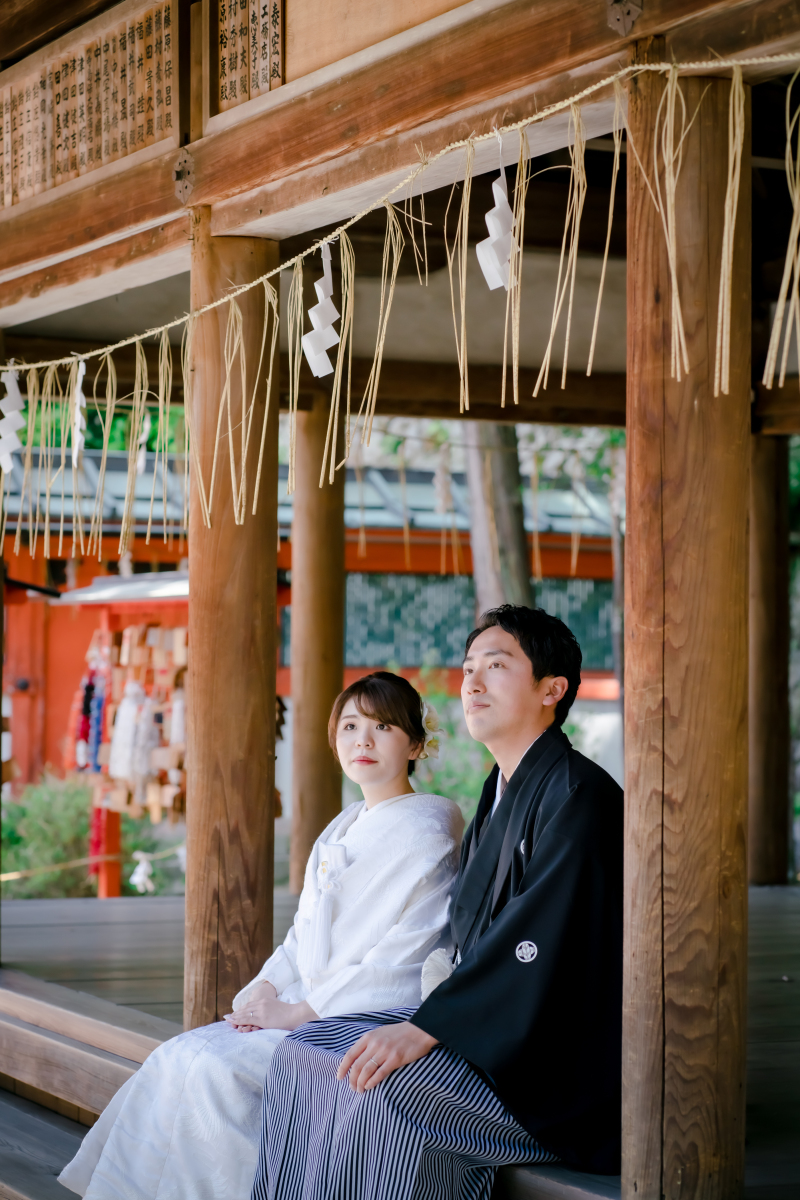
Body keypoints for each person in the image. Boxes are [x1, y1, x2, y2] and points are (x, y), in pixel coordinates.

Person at [255, 606, 624, 1200]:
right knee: (305, 1057)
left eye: (496, 666)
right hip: (492, 1036)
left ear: (552, 690)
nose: (471, 683)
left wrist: (428, 1026)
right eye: (467, 667)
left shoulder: (579, 799)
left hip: (551, 1074)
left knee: (377, 1089)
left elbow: (535, 946)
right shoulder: (500, 792)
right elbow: (464, 932)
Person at [59, 671, 463, 1200]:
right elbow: (302, 935)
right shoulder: (341, 827)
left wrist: (299, 1012)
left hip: (356, 1015)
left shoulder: (428, 833)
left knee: (212, 1070)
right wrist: (269, 987)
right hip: (307, 1002)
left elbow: (404, 956)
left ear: (414, 743)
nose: (362, 740)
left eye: (383, 726)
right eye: (349, 725)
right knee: (176, 1055)